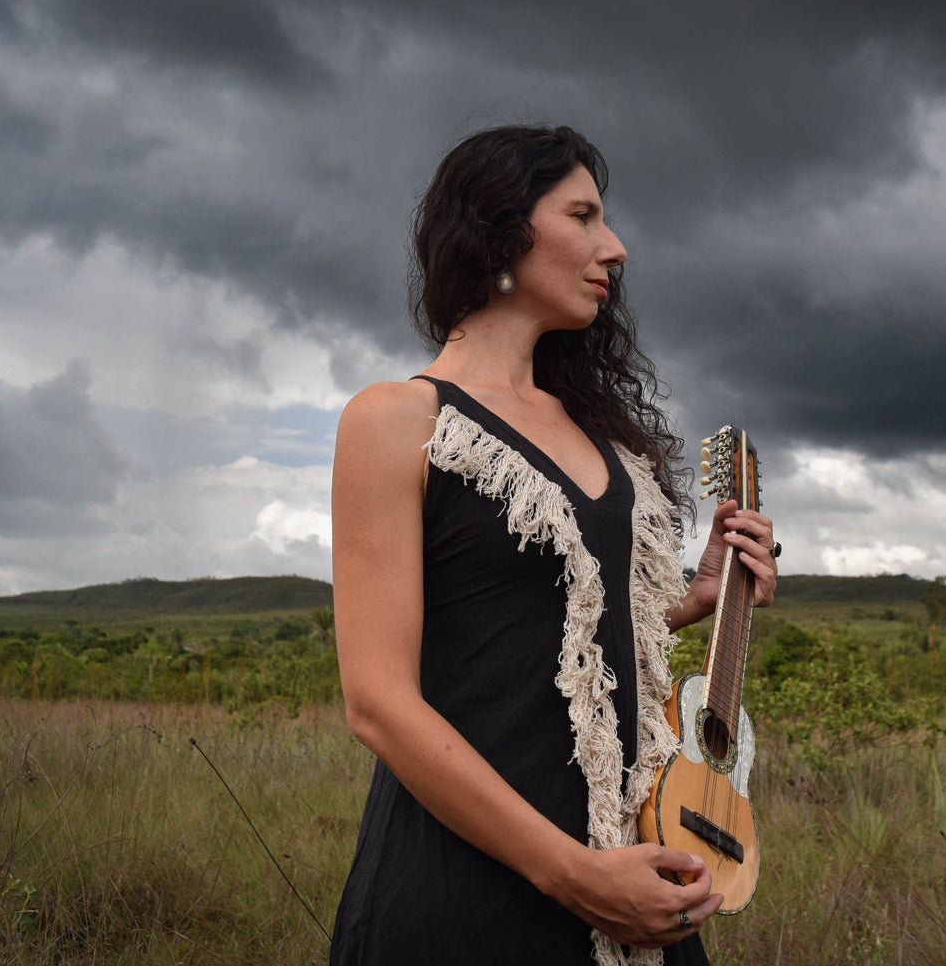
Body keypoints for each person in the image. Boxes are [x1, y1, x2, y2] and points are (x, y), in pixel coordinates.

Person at [329, 125, 778, 966]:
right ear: (500, 228)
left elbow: (565, 637)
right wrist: (574, 875)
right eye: (583, 215)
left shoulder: (603, 440)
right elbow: (377, 701)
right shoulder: (397, 420)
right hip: (466, 893)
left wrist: (694, 601)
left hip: (635, 877)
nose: (615, 247)